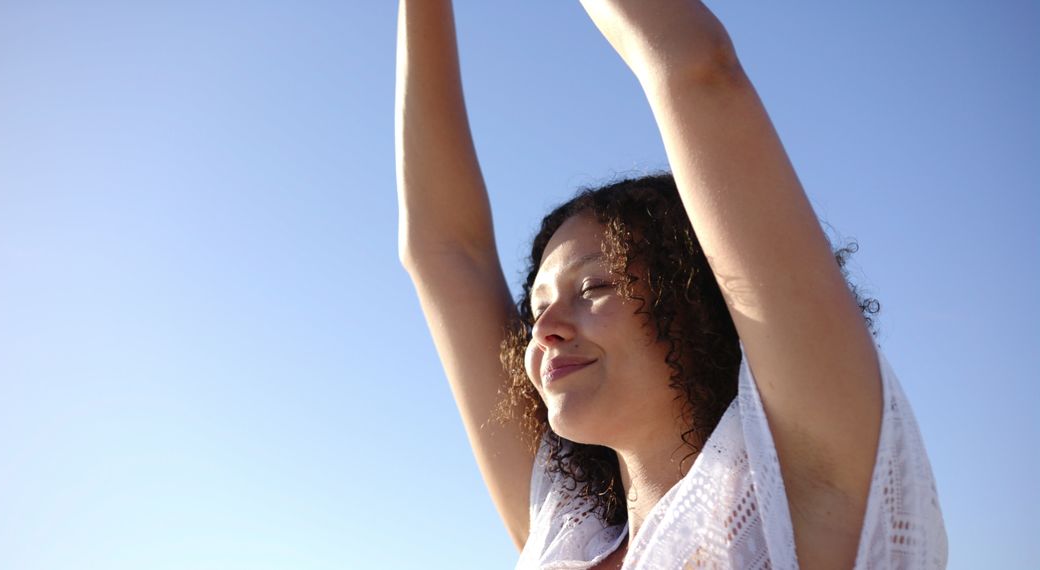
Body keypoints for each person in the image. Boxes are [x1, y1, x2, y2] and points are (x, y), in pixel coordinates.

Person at [394, 1, 947, 568]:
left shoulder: (811, 491)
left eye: (592, 289)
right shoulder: (564, 532)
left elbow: (697, 68)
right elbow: (445, 254)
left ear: (698, 297)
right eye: (537, 311)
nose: (547, 332)